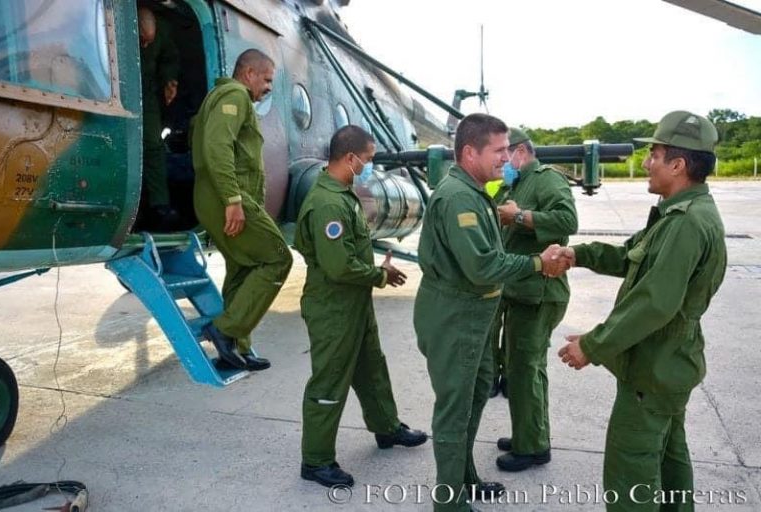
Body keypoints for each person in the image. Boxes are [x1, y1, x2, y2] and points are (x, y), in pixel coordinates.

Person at [557, 111, 727, 511]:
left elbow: (654, 303)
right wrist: (576, 253)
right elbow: (628, 255)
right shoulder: (681, 213)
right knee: (669, 461)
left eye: (654, 154)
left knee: (630, 478)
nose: (647, 163)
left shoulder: (686, 223)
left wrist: (592, 346)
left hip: (651, 371)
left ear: (678, 165)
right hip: (670, 366)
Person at [413, 113, 568, 512]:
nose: (506, 158)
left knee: (477, 391)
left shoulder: (475, 190)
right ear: (469, 152)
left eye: (508, 150)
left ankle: (464, 479)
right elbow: (482, 265)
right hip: (455, 318)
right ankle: (450, 503)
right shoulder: (459, 197)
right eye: (498, 151)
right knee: (454, 409)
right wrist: (537, 263)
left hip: (474, 316)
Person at [294, 125, 428, 488]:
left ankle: (386, 428)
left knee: (371, 368)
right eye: (367, 160)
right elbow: (338, 266)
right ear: (351, 158)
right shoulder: (328, 203)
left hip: (354, 304)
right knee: (329, 381)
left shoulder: (341, 192)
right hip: (333, 308)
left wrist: (373, 275)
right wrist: (379, 275)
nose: (369, 166)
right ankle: (316, 460)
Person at [191, 49, 292, 371]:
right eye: (266, 79)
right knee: (278, 259)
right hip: (225, 196)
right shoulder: (234, 95)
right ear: (248, 73)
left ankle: (236, 347)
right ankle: (223, 331)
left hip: (220, 195)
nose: (268, 87)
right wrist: (233, 200)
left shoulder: (229, 98)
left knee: (243, 268)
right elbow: (217, 145)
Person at [490, 127, 578, 472]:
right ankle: (527, 433)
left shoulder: (546, 180)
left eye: (503, 152)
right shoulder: (515, 184)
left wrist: (520, 217)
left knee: (526, 370)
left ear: (521, 152)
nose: (501, 160)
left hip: (540, 293)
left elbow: (567, 220)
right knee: (520, 369)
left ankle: (533, 447)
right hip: (521, 291)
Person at [138, 5, 180, 231]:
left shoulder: (163, 30)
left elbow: (170, 58)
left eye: (149, 42)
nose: (145, 45)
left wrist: (170, 80)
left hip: (149, 93)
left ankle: (159, 205)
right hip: (118, 88)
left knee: (154, 146)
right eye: (141, 40)